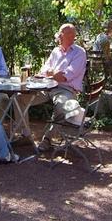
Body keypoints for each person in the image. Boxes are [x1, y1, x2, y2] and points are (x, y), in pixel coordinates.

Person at [35, 23, 88, 153]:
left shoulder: (79, 52)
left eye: (73, 34)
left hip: (65, 89)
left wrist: (51, 73)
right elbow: (44, 70)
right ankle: (24, 134)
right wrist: (53, 73)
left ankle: (47, 139)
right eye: (67, 33)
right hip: (47, 87)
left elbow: (66, 76)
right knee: (20, 99)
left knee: (62, 106)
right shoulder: (55, 51)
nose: (71, 36)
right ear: (60, 36)